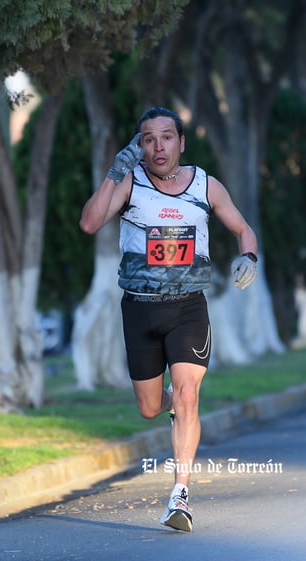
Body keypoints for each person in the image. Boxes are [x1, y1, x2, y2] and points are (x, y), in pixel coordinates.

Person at [78, 106, 259, 532]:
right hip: (140, 307)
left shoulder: (206, 185)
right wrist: (113, 172)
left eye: (166, 137)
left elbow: (243, 228)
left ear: (181, 142)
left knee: (187, 394)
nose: (158, 146)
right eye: (148, 139)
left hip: (188, 308)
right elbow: (89, 223)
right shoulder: (130, 181)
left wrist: (248, 256)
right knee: (148, 407)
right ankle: (173, 409)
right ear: (140, 145)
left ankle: (180, 496)